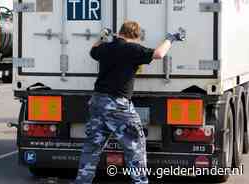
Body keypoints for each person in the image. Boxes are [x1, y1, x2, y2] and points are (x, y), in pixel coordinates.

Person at [74, 21, 185, 184]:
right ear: (135, 36)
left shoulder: (105, 48)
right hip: (118, 105)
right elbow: (159, 54)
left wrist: (101, 37)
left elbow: (92, 51)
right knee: (135, 145)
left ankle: (82, 181)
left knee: (92, 147)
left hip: (97, 102)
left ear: (120, 33)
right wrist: (171, 38)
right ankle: (139, 181)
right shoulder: (132, 49)